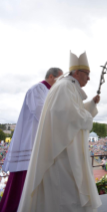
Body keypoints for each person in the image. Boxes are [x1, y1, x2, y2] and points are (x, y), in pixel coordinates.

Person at [17, 52, 102, 212]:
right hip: (62, 154)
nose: (89, 78)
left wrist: (90, 104)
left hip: (66, 150)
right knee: (67, 195)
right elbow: (66, 114)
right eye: (87, 74)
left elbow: (73, 112)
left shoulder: (67, 86)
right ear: (76, 72)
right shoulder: (65, 86)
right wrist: (88, 118)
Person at [0, 68, 63, 212]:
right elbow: (41, 113)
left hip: (41, 139)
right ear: (51, 77)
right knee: (24, 182)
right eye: (61, 79)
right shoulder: (37, 89)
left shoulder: (50, 92)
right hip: (31, 140)